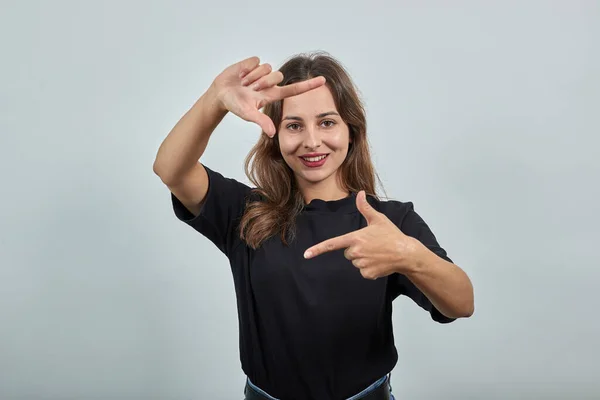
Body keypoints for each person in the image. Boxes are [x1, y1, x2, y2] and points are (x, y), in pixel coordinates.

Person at [153, 52, 474, 400]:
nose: (311, 141)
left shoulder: (389, 223)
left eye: (326, 122)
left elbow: (461, 303)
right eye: (294, 125)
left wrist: (410, 255)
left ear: (351, 130)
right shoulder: (245, 212)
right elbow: (171, 169)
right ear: (275, 135)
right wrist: (215, 99)